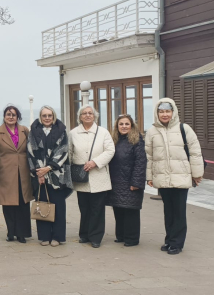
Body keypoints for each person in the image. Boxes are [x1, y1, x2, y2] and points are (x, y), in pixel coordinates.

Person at [145, 98, 204, 255]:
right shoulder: (152, 131)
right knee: (168, 212)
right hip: (162, 177)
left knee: (179, 212)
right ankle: (169, 239)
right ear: (157, 113)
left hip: (181, 176)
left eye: (167, 111)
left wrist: (197, 174)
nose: (165, 114)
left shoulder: (184, 129)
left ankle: (177, 243)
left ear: (173, 112)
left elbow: (195, 152)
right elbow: (149, 156)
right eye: (161, 112)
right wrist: (149, 176)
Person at [70, 105, 115, 248]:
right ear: (80, 117)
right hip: (81, 176)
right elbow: (69, 152)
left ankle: (96, 237)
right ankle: (84, 234)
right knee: (84, 208)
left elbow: (110, 150)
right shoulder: (73, 133)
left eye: (90, 113)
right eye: (84, 113)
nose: (88, 115)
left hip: (99, 176)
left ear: (95, 116)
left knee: (97, 208)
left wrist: (95, 162)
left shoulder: (103, 132)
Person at [27, 106, 72, 246]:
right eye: (44, 115)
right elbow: (30, 152)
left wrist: (49, 167)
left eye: (49, 115)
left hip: (57, 175)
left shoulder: (61, 131)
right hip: (39, 175)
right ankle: (44, 236)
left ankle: (58, 237)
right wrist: (38, 172)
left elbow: (63, 151)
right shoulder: (33, 132)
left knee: (58, 207)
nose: (47, 118)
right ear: (40, 117)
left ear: (54, 116)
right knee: (42, 205)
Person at [0, 104, 33, 243]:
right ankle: (11, 231)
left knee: (23, 202)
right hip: (5, 171)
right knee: (8, 203)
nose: (11, 117)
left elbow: (31, 149)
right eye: (8, 114)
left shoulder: (24, 130)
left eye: (13, 115)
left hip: (23, 171)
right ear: (4, 116)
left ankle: (22, 233)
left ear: (18, 117)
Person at [107, 114, 147, 247]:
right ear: (117, 126)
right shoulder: (114, 140)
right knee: (118, 209)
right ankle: (121, 235)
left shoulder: (137, 141)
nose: (124, 126)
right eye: (121, 124)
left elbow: (140, 163)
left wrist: (136, 182)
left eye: (127, 124)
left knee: (131, 211)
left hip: (130, 182)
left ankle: (132, 238)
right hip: (116, 181)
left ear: (132, 126)